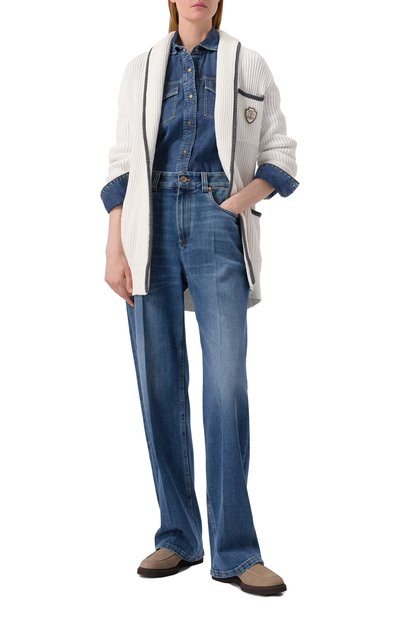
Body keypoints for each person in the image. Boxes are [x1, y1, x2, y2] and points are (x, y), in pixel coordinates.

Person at [100, 0, 299, 597]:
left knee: (225, 385)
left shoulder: (248, 62)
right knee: (158, 380)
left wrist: (234, 204)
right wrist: (114, 244)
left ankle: (236, 550)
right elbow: (122, 161)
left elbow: (280, 150)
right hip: (148, 221)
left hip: (216, 218)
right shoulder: (140, 68)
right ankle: (178, 536)